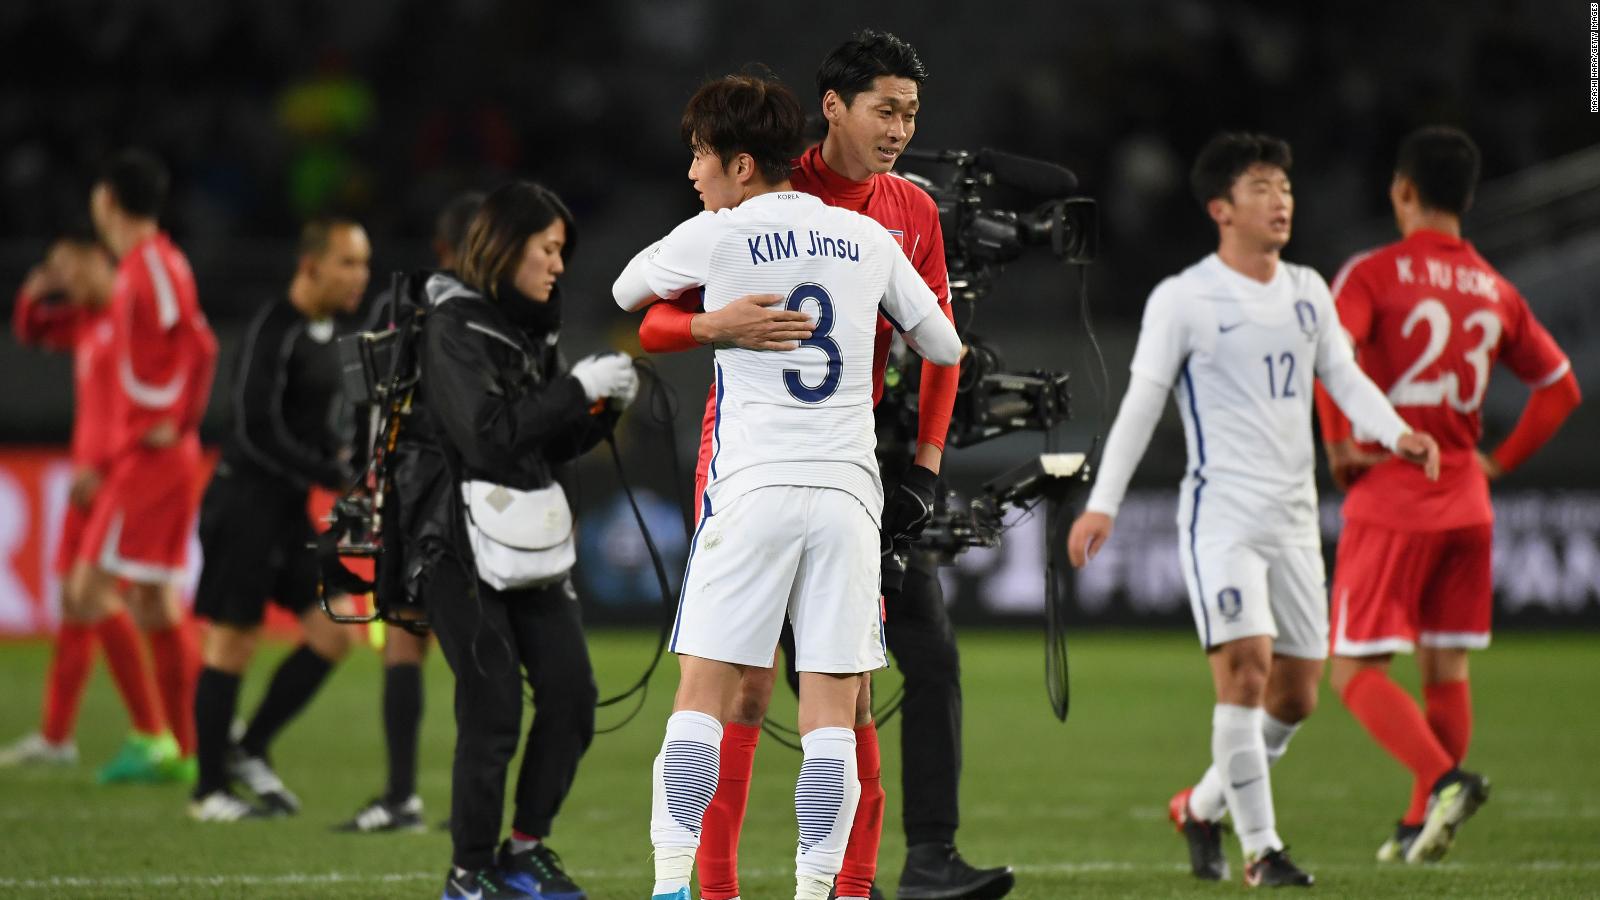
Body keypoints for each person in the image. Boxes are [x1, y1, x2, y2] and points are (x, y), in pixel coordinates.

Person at [637, 30, 1010, 900]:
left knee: (869, 675)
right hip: (752, 455)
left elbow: (943, 352)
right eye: (886, 109)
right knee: (749, 692)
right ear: (832, 107)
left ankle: (859, 882)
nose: (900, 130)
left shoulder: (911, 209)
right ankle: (724, 886)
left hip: (860, 458)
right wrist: (710, 326)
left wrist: (924, 465)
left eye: (912, 113)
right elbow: (657, 321)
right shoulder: (766, 183)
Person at [1065, 132, 1441, 887]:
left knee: (1296, 696)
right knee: (1245, 670)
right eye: (1264, 188)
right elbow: (1142, 404)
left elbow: (1343, 374)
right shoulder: (1184, 298)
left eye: (1286, 189)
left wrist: (1395, 430)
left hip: (1295, 518)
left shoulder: (1307, 290)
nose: (1282, 202)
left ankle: (1201, 807)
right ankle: (1262, 850)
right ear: (1220, 208)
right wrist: (1101, 503)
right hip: (1221, 515)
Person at [1314, 126, 1580, 864]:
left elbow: (1329, 357)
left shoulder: (1373, 273)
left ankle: (1442, 781)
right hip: (1467, 498)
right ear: (1466, 198)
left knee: (1356, 671)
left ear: (1403, 191)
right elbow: (1561, 390)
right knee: (1446, 668)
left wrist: (1340, 444)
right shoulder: (1497, 286)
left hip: (1393, 490)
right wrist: (1498, 463)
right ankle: (1415, 824)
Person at [411, 181, 635, 900]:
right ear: (505, 248)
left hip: (522, 537)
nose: (557, 265)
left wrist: (601, 411)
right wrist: (574, 389)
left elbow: (544, 444)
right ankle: (469, 872)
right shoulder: (452, 324)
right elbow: (487, 436)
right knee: (493, 705)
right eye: (546, 249)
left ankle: (525, 849)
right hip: (452, 540)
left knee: (571, 697)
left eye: (561, 251)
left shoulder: (526, 325)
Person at [187, 216, 372, 821]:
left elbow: (322, 431)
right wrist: (330, 473)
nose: (359, 276)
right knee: (232, 642)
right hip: (243, 505)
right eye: (347, 262)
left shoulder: (332, 333)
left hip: (287, 511)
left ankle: (250, 749)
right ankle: (208, 791)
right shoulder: (274, 329)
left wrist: (348, 464)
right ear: (311, 265)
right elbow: (252, 426)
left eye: (364, 263)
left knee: (334, 632)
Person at [0, 230, 175, 782]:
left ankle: (158, 733)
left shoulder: (126, 319)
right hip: (85, 483)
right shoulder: (84, 324)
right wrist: (36, 289)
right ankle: (57, 736)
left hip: (118, 480)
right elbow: (29, 329)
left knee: (113, 598)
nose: (66, 282)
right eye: (59, 272)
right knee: (75, 605)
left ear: (101, 262)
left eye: (71, 269)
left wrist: (108, 466)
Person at [338, 189, 485, 834]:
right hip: (472, 496)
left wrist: (364, 477)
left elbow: (363, 395)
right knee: (456, 645)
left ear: (441, 247)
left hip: (411, 490)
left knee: (410, 638)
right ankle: (460, 802)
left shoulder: (403, 306)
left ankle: (405, 798)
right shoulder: (496, 310)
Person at [77, 148, 218, 781]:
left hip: (155, 458)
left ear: (106, 199)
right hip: (148, 456)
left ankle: (152, 735)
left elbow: (201, 342)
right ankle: (191, 750)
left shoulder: (153, 266)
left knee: (87, 591)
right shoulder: (143, 266)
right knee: (157, 605)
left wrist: (180, 419)